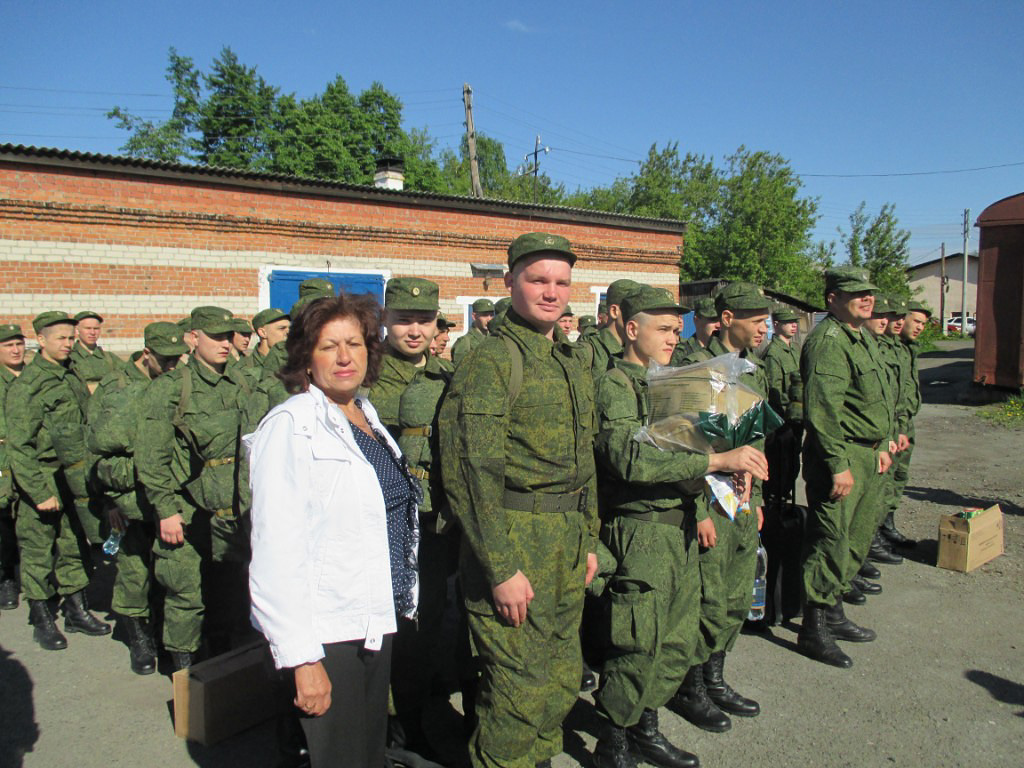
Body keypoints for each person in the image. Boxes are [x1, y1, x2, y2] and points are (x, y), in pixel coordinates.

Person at [591, 285, 770, 768]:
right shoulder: (616, 384)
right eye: (663, 329)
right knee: (637, 641)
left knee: (675, 638)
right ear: (632, 329)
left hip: (682, 522)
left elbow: (693, 444)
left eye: (677, 329)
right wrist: (715, 460)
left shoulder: (670, 383)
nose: (674, 337)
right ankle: (614, 741)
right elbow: (629, 457)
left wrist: (729, 472)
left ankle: (646, 724)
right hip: (643, 530)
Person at [439, 232, 599, 768]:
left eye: (561, 282)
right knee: (515, 692)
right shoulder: (491, 361)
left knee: (557, 679)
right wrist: (501, 567)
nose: (551, 292)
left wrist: (590, 539)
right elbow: (471, 473)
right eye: (537, 280)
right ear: (509, 282)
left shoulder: (568, 360)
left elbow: (584, 463)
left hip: (566, 544)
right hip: (512, 542)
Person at [247, 294, 419, 768]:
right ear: (305, 355)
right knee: (338, 758)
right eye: (328, 346)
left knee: (366, 754)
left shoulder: (364, 414)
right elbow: (274, 554)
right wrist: (304, 661)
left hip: (372, 618)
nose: (345, 357)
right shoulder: (291, 426)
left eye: (355, 344)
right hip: (328, 633)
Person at [673, 282, 770, 725]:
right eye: (756, 320)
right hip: (708, 502)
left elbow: (755, 441)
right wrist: (695, 511)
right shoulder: (691, 369)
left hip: (743, 504)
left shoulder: (752, 371)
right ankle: (690, 688)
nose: (764, 328)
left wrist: (760, 497)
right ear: (727, 318)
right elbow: (678, 445)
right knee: (706, 599)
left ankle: (715, 677)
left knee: (734, 596)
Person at [136, 306, 254, 670]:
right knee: (186, 596)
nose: (225, 343)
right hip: (188, 512)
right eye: (215, 336)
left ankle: (219, 671)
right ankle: (184, 674)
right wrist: (166, 511)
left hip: (233, 509)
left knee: (229, 594)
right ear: (193, 338)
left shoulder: (241, 381)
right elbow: (151, 457)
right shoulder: (170, 390)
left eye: (227, 335)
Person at [798, 267, 892, 669]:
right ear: (832, 299)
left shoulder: (861, 337)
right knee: (831, 541)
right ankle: (813, 627)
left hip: (867, 454)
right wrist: (838, 464)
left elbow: (873, 399)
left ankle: (833, 612)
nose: (866, 299)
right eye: (856, 293)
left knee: (855, 538)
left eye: (869, 292)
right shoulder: (830, 342)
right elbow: (822, 410)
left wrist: (883, 443)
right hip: (842, 455)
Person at [86, 321, 188, 674]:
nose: (174, 367)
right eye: (166, 361)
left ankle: (162, 632)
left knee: (170, 572)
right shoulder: (117, 388)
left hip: (167, 497)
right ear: (147, 355)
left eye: (179, 360)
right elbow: (95, 453)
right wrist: (108, 503)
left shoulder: (178, 384)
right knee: (133, 571)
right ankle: (137, 636)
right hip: (127, 498)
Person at [6, 311, 109, 650]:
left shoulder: (71, 374)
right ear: (41, 340)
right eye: (61, 339)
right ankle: (42, 618)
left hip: (73, 474)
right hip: (45, 475)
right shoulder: (28, 385)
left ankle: (76, 610)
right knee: (38, 549)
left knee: (74, 543)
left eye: (70, 337)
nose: (68, 344)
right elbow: (19, 446)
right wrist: (37, 492)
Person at [882, 300, 931, 547]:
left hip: (905, 422)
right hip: (891, 424)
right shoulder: (888, 348)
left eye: (924, 323)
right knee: (886, 478)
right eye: (916, 321)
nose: (920, 327)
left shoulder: (909, 349)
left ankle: (887, 522)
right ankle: (878, 531)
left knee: (899, 475)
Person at [367, 278, 441, 438]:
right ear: (384, 318)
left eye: (425, 321)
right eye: (404, 320)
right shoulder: (365, 373)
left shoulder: (447, 375)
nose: (415, 332)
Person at [0, 323, 26, 610]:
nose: (16, 350)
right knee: (4, 523)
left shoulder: (32, 377)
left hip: (27, 459)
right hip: (1, 460)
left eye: (19, 344)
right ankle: (6, 577)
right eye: (9, 345)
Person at [585, 279, 642, 377]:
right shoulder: (590, 350)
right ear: (614, 311)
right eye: (634, 308)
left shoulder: (636, 348)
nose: (640, 315)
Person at [70, 310, 119, 392]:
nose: (92, 332)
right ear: (77, 330)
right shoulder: (70, 358)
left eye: (96, 329)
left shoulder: (109, 358)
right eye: (88, 328)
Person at [670, 298, 719, 364]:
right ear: (696, 320)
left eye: (722, 320)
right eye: (713, 320)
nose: (719, 325)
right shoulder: (680, 354)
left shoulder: (727, 351)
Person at [451, 298, 495, 366]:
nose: (489, 319)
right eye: (484, 315)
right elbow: (459, 373)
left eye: (491, 315)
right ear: (474, 316)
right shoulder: (465, 342)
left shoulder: (493, 339)